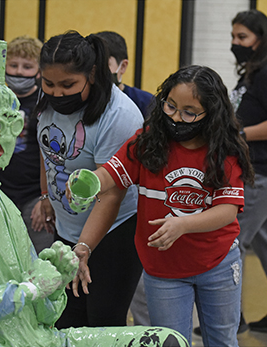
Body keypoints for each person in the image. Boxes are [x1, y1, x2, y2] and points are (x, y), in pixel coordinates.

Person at [0, 37, 188, 347]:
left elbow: (41, 314)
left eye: (13, 125)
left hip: (34, 330)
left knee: (166, 340)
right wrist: (29, 289)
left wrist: (52, 278)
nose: (5, 141)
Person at [68, 65, 255, 346]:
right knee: (171, 341)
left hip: (217, 263)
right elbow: (112, 174)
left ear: (211, 114)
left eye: (189, 112)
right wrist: (89, 182)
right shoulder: (147, 142)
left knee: (222, 340)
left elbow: (227, 211)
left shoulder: (223, 151)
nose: (177, 118)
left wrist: (183, 224)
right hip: (162, 270)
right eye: (170, 106)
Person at [34, 30, 144, 328]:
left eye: (68, 84)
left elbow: (111, 193)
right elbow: (48, 152)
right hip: (68, 229)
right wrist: (46, 197)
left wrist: (84, 247)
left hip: (114, 232)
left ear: (93, 75)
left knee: (102, 322)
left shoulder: (118, 115)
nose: (57, 93)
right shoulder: (47, 102)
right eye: (49, 83)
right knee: (65, 319)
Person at [97, 29, 153, 327]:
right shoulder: (81, 103)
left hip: (136, 214)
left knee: (143, 297)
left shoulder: (144, 104)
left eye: (102, 63)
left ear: (122, 66)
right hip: (95, 211)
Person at [229, 9, 267, 333]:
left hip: (262, 173)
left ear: (261, 39)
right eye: (233, 37)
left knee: (232, 241)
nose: (235, 43)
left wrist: (240, 135)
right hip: (263, 173)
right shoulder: (251, 74)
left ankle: (231, 317)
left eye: (242, 37)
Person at [0, 35, 54, 254]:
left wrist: (45, 198)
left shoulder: (46, 103)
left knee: (40, 259)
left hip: (34, 195)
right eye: (13, 65)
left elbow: (51, 156)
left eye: (27, 66)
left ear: (38, 71)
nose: (19, 71)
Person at [96, 30, 153, 118]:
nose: (97, 70)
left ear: (123, 66)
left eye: (104, 64)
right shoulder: (82, 101)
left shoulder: (146, 103)